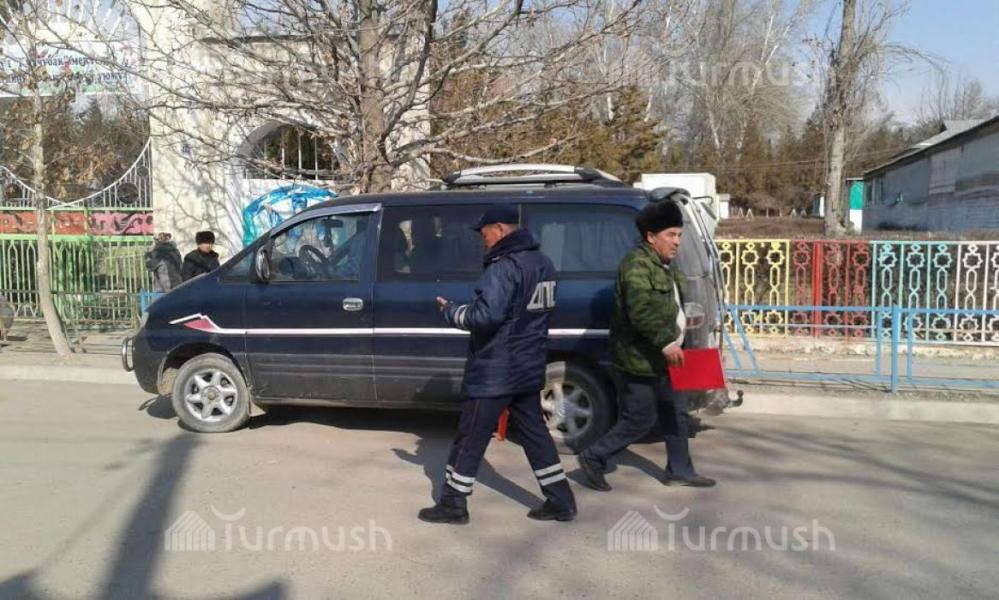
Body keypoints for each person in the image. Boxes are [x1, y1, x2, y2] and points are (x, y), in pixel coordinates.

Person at [418, 204, 576, 525]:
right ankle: (561, 500)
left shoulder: (503, 267)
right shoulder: (543, 264)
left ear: (501, 229)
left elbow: (485, 316)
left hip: (496, 368)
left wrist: (451, 312)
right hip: (528, 365)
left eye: (485, 232)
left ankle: (453, 504)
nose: (483, 238)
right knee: (535, 434)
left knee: (470, 437)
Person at [577, 200, 716, 491]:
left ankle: (679, 470)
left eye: (679, 235)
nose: (677, 241)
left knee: (676, 412)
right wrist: (666, 342)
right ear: (651, 236)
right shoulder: (636, 266)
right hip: (639, 360)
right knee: (639, 420)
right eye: (671, 235)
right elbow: (640, 310)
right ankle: (593, 456)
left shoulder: (664, 265)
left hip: (669, 356)